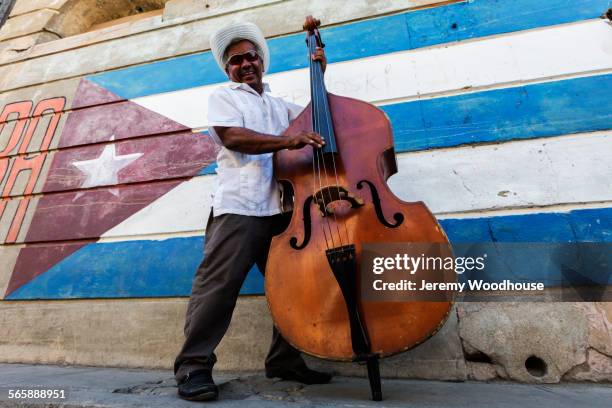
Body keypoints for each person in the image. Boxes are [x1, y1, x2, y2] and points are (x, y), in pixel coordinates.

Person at [174, 21, 332, 401]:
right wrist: (288, 139)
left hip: (282, 209)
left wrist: (319, 73)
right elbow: (233, 137)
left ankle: (284, 361)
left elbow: (317, 119)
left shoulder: (280, 106)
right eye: (235, 60)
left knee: (291, 288)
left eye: (250, 56)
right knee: (218, 288)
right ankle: (193, 367)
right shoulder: (224, 97)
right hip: (240, 207)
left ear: (261, 61)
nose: (244, 63)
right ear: (227, 69)